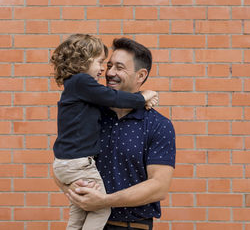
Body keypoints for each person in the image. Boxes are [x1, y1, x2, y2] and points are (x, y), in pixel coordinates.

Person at [59, 37, 176, 230]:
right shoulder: (89, 113)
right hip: (88, 223)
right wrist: (73, 190)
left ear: (141, 75)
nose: (110, 73)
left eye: (119, 68)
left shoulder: (158, 125)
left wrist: (104, 201)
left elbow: (159, 186)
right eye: (109, 65)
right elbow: (62, 162)